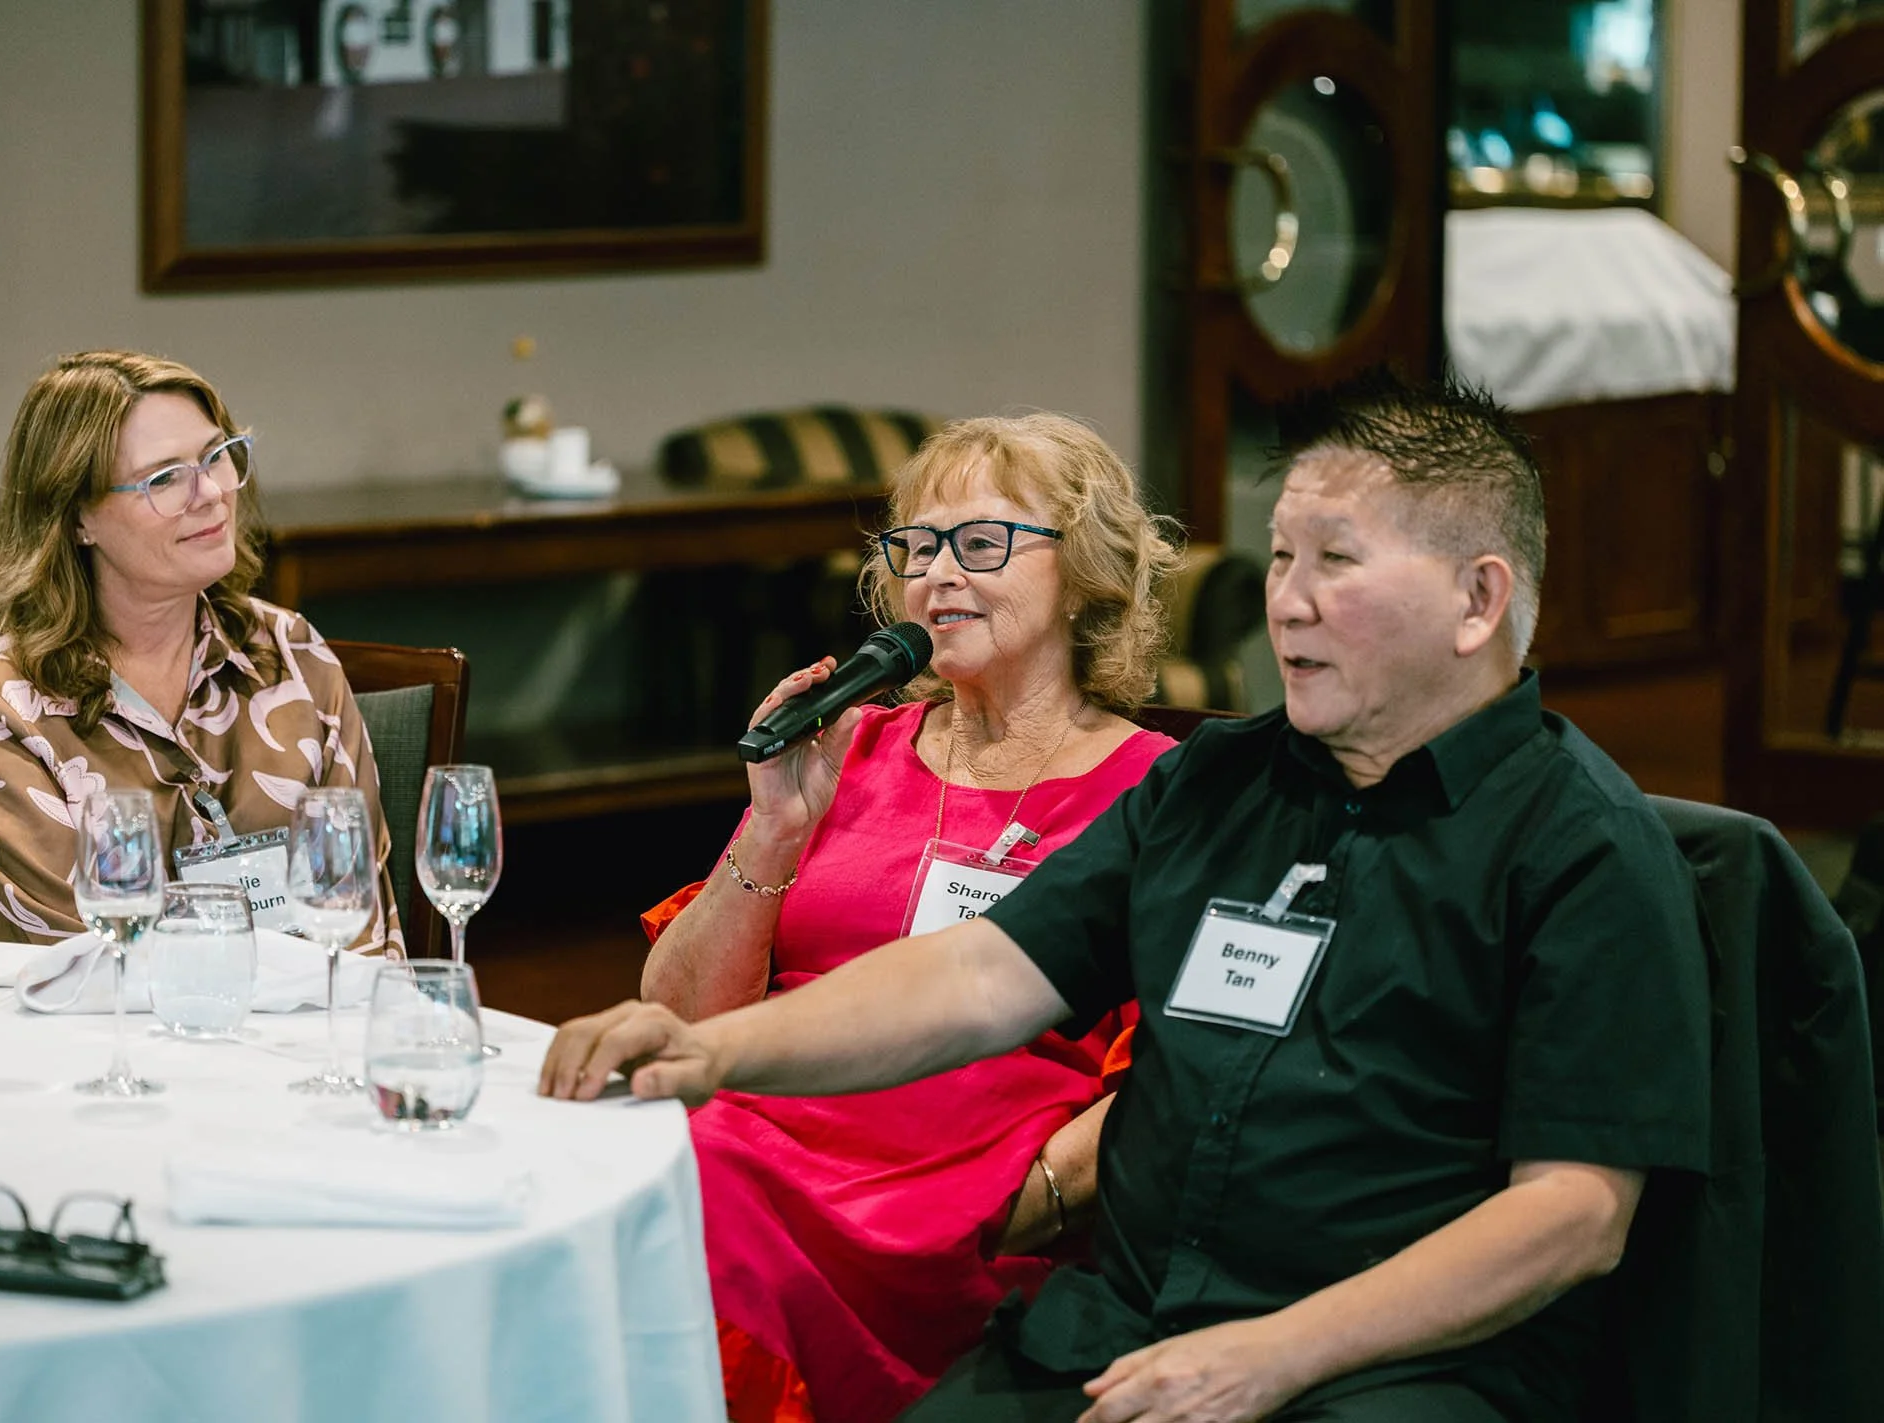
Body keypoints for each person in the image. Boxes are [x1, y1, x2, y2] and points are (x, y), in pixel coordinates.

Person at [542, 373, 1713, 1423]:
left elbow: (1573, 1214)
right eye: (1283, 558)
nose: (1287, 601)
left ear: (1477, 600)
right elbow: (980, 970)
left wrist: (1271, 1355)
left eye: (1336, 562)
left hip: (1395, 1361)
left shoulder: (1582, 847)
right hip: (1130, 1319)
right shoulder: (1222, 781)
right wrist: (710, 1055)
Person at [637, 413, 1183, 1421]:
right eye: (916, 547)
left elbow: (1175, 1074)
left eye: (982, 544)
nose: (938, 573)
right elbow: (679, 1016)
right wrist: (771, 831)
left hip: (966, 1201)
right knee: (654, 1163)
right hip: (770, 1143)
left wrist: (1046, 1200)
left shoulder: (1158, 792)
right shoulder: (854, 747)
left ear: (1086, 570)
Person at [0, 350, 402, 950]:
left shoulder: (290, 652)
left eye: (215, 457)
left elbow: (360, 935)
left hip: (298, 1036)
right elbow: (70, 967)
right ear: (77, 520)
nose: (210, 494)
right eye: (165, 477)